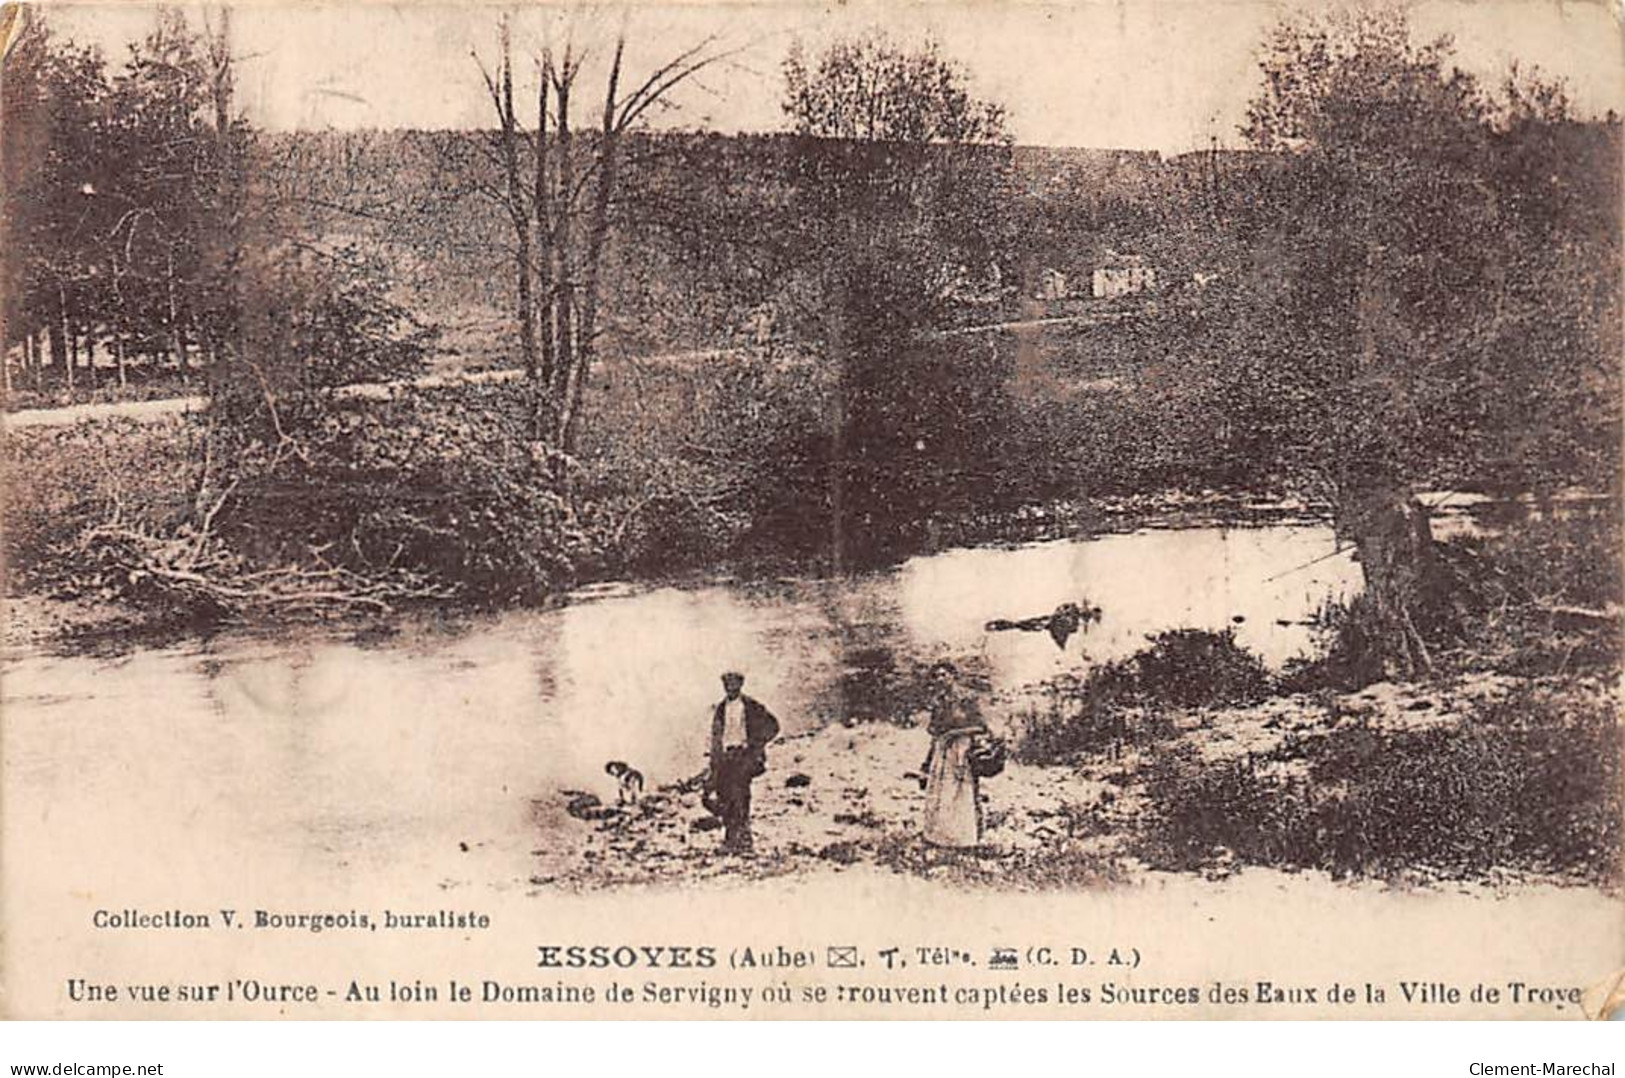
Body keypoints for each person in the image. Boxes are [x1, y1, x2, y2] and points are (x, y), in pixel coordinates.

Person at [706, 671, 780, 854]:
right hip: (725, 759)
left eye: (733, 684)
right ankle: (730, 840)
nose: (730, 688)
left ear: (740, 685)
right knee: (725, 798)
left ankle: (744, 842)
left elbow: (773, 726)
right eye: (726, 684)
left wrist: (755, 746)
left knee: (740, 798)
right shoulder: (721, 709)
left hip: (743, 758)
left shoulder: (751, 706)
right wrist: (715, 760)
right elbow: (716, 737)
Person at [918, 660, 990, 849]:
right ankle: (941, 837)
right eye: (937, 676)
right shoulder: (938, 702)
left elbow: (981, 726)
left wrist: (954, 734)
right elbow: (935, 735)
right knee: (941, 793)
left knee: (963, 792)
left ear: (953, 676)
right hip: (943, 751)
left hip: (963, 748)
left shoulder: (967, 698)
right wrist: (926, 764)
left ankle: (966, 839)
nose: (941, 679)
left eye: (944, 674)